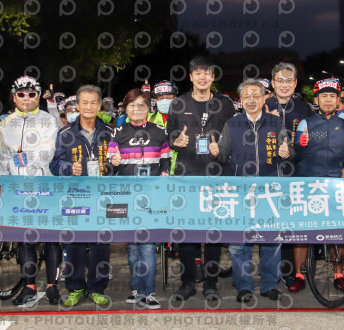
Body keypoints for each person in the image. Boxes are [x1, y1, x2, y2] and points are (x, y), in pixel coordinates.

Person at [210, 79, 290, 303]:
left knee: (271, 240)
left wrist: (287, 152)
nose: (252, 100)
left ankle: (270, 284)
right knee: (240, 241)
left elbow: (289, 150)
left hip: (270, 190)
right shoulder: (232, 124)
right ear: (241, 100)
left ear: (264, 98)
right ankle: (244, 286)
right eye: (247, 96)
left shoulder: (276, 123)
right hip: (240, 191)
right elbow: (223, 156)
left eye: (256, 95)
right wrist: (216, 152)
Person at [167, 55, 236, 301]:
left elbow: (233, 136)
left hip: (216, 175)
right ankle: (187, 283)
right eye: (198, 72)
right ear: (191, 76)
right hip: (187, 175)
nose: (203, 77)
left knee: (213, 233)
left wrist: (222, 149)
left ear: (213, 77)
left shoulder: (225, 104)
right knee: (188, 232)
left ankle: (211, 283)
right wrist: (176, 141)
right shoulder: (178, 103)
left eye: (207, 72)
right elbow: (170, 136)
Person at [0, 76, 63, 305]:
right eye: (21, 94)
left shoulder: (48, 120)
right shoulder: (5, 123)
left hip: (46, 186)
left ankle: (53, 287)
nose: (26, 98)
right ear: (14, 97)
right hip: (18, 188)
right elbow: (3, 158)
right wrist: (4, 187)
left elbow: (49, 152)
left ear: (38, 96)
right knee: (25, 240)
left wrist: (26, 158)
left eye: (32, 94)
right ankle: (29, 287)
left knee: (51, 239)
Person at [292, 78, 344, 293]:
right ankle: (299, 274)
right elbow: (295, 155)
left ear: (339, 99)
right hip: (308, 181)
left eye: (332, 96)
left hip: (335, 182)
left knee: (336, 232)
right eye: (324, 96)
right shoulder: (306, 122)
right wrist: (300, 145)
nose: (328, 100)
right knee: (302, 232)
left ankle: (338, 274)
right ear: (316, 100)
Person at [49, 85, 113, 307]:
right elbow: (54, 165)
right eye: (84, 102)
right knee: (74, 243)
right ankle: (75, 287)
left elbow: (117, 163)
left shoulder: (109, 132)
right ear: (77, 105)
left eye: (93, 102)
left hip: (102, 196)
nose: (88, 107)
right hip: (74, 196)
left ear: (100, 105)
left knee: (100, 243)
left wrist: (113, 165)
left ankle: (97, 288)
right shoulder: (65, 133)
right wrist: (69, 169)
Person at [107, 88, 171, 309]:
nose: (137, 109)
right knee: (133, 246)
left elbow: (166, 159)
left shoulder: (159, 131)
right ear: (125, 108)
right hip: (126, 195)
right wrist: (113, 161)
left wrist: (165, 173)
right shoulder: (117, 132)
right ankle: (135, 288)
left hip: (152, 196)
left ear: (149, 108)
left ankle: (148, 292)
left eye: (141, 105)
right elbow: (109, 162)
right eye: (132, 105)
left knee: (148, 245)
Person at [263, 62, 312, 292]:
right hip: (267, 173)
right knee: (271, 225)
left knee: (292, 224)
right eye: (280, 80)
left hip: (296, 174)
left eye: (289, 81)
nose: (284, 85)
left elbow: (310, 142)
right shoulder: (262, 104)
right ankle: (271, 275)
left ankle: (293, 272)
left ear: (295, 84)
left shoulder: (304, 108)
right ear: (273, 83)